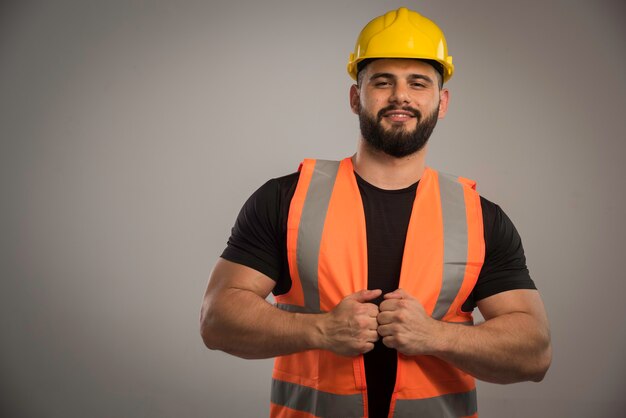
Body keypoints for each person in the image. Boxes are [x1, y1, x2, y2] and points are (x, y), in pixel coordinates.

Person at [200, 7, 551, 418]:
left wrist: (435, 336)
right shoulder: (286, 198)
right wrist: (322, 329)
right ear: (355, 97)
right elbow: (217, 320)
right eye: (383, 82)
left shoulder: (480, 217)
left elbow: (535, 353)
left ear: (443, 101)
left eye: (418, 83)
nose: (400, 95)